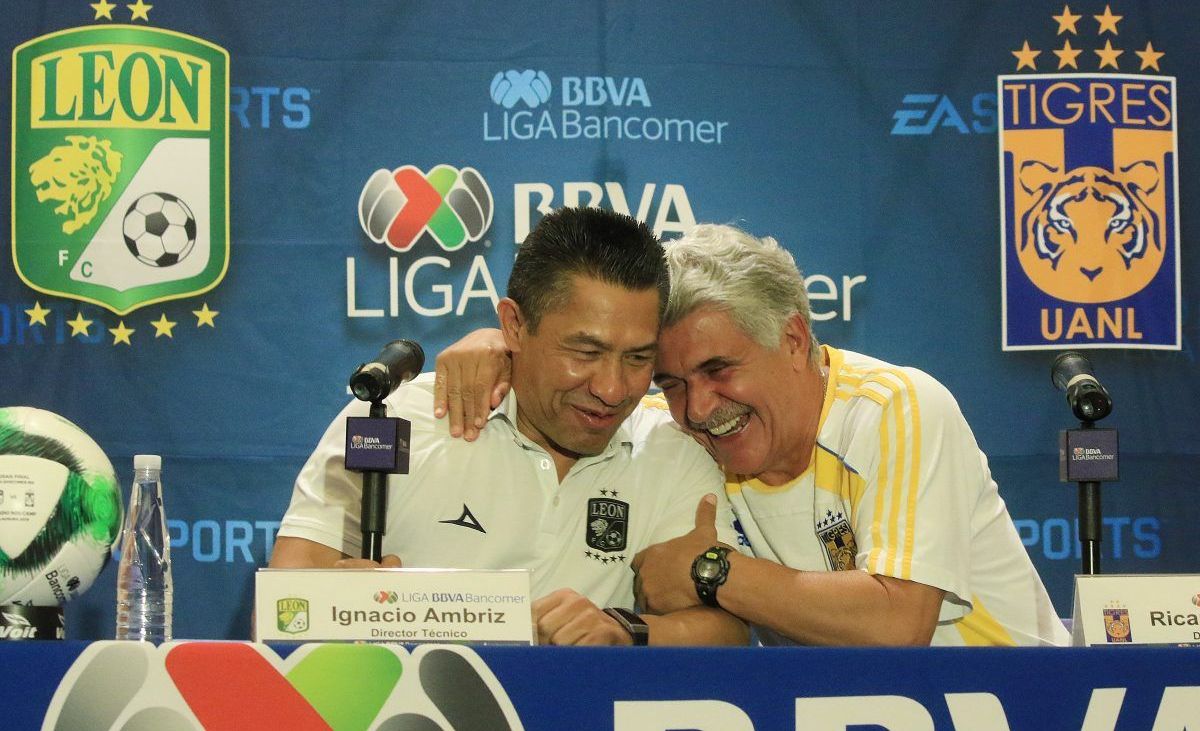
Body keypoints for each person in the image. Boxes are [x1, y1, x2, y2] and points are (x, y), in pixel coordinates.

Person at [435, 223, 1069, 646]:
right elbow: (578, 393)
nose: (699, 408)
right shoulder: (682, 432)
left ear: (792, 339)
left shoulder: (893, 407)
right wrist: (499, 351)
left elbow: (898, 623)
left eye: (719, 370)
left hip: (1018, 702)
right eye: (671, 382)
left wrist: (710, 570)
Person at [270, 207, 747, 647]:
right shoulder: (395, 421)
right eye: (585, 352)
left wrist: (626, 631)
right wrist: (338, 607)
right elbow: (280, 616)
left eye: (638, 358)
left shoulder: (672, 453)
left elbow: (727, 634)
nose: (612, 388)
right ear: (514, 325)